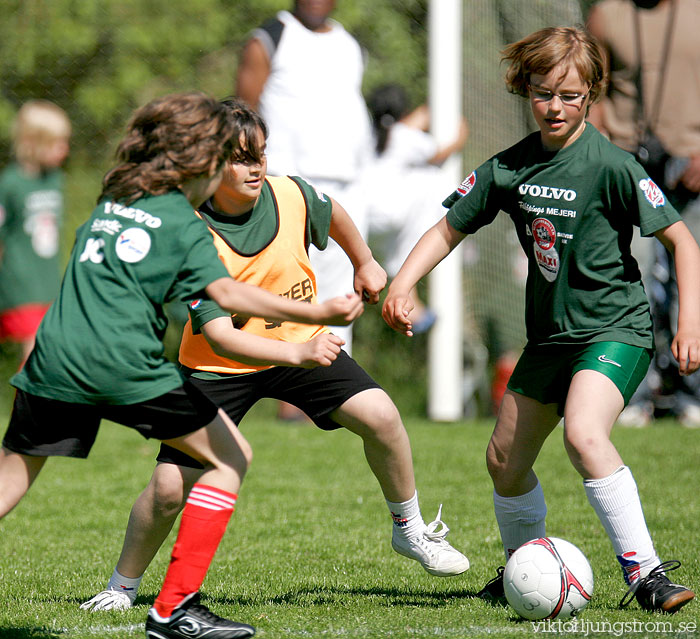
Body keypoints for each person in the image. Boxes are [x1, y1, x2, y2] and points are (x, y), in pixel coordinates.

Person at [79, 98, 469, 613]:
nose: (256, 166)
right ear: (210, 165)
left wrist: (366, 261)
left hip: (296, 345)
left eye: (259, 153)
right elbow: (221, 337)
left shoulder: (288, 193)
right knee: (171, 487)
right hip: (219, 368)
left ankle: (410, 528)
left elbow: (330, 211)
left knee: (381, 415)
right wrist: (301, 351)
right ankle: (121, 586)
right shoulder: (190, 234)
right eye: (241, 157)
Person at [0, 91, 365, 639]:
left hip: (54, 354)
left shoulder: (118, 189)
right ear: (203, 161)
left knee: (10, 478)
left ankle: (165, 604)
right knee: (230, 458)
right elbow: (229, 294)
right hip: (121, 362)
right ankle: (174, 610)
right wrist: (316, 311)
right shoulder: (187, 224)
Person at [383, 27, 697, 613]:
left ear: (592, 95)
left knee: (584, 432)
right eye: (543, 93)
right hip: (550, 338)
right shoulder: (511, 166)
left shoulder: (612, 165)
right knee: (503, 459)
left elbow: (684, 242)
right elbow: (448, 227)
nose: (556, 106)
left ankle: (648, 575)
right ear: (525, 90)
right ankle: (527, 569)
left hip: (615, 331)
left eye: (570, 95)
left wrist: (690, 324)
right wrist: (402, 282)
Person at [235, 0, 373, 353]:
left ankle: (335, 391)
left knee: (342, 293)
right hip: (287, 185)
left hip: (348, 185)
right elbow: (240, 119)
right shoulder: (269, 38)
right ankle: (284, 395)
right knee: (286, 290)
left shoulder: (350, 44)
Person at [587, 0, 700, 428]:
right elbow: (589, 87)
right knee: (624, 279)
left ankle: (692, 395)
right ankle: (629, 395)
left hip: (690, 164)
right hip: (626, 164)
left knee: (691, 283)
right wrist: (599, 143)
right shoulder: (607, 13)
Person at [360, 83, 468, 333]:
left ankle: (412, 303)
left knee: (400, 248)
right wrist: (461, 134)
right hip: (392, 213)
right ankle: (408, 290)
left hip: (367, 220)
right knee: (432, 180)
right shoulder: (405, 137)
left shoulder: (368, 134)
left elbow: (409, 124)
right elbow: (439, 153)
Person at [0, 100, 71, 370]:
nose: (64, 150)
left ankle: (33, 409)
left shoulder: (55, 179)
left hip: (48, 284)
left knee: (49, 350)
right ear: (32, 142)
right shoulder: (11, 183)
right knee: (35, 353)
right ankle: (29, 410)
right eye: (57, 143)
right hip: (21, 284)